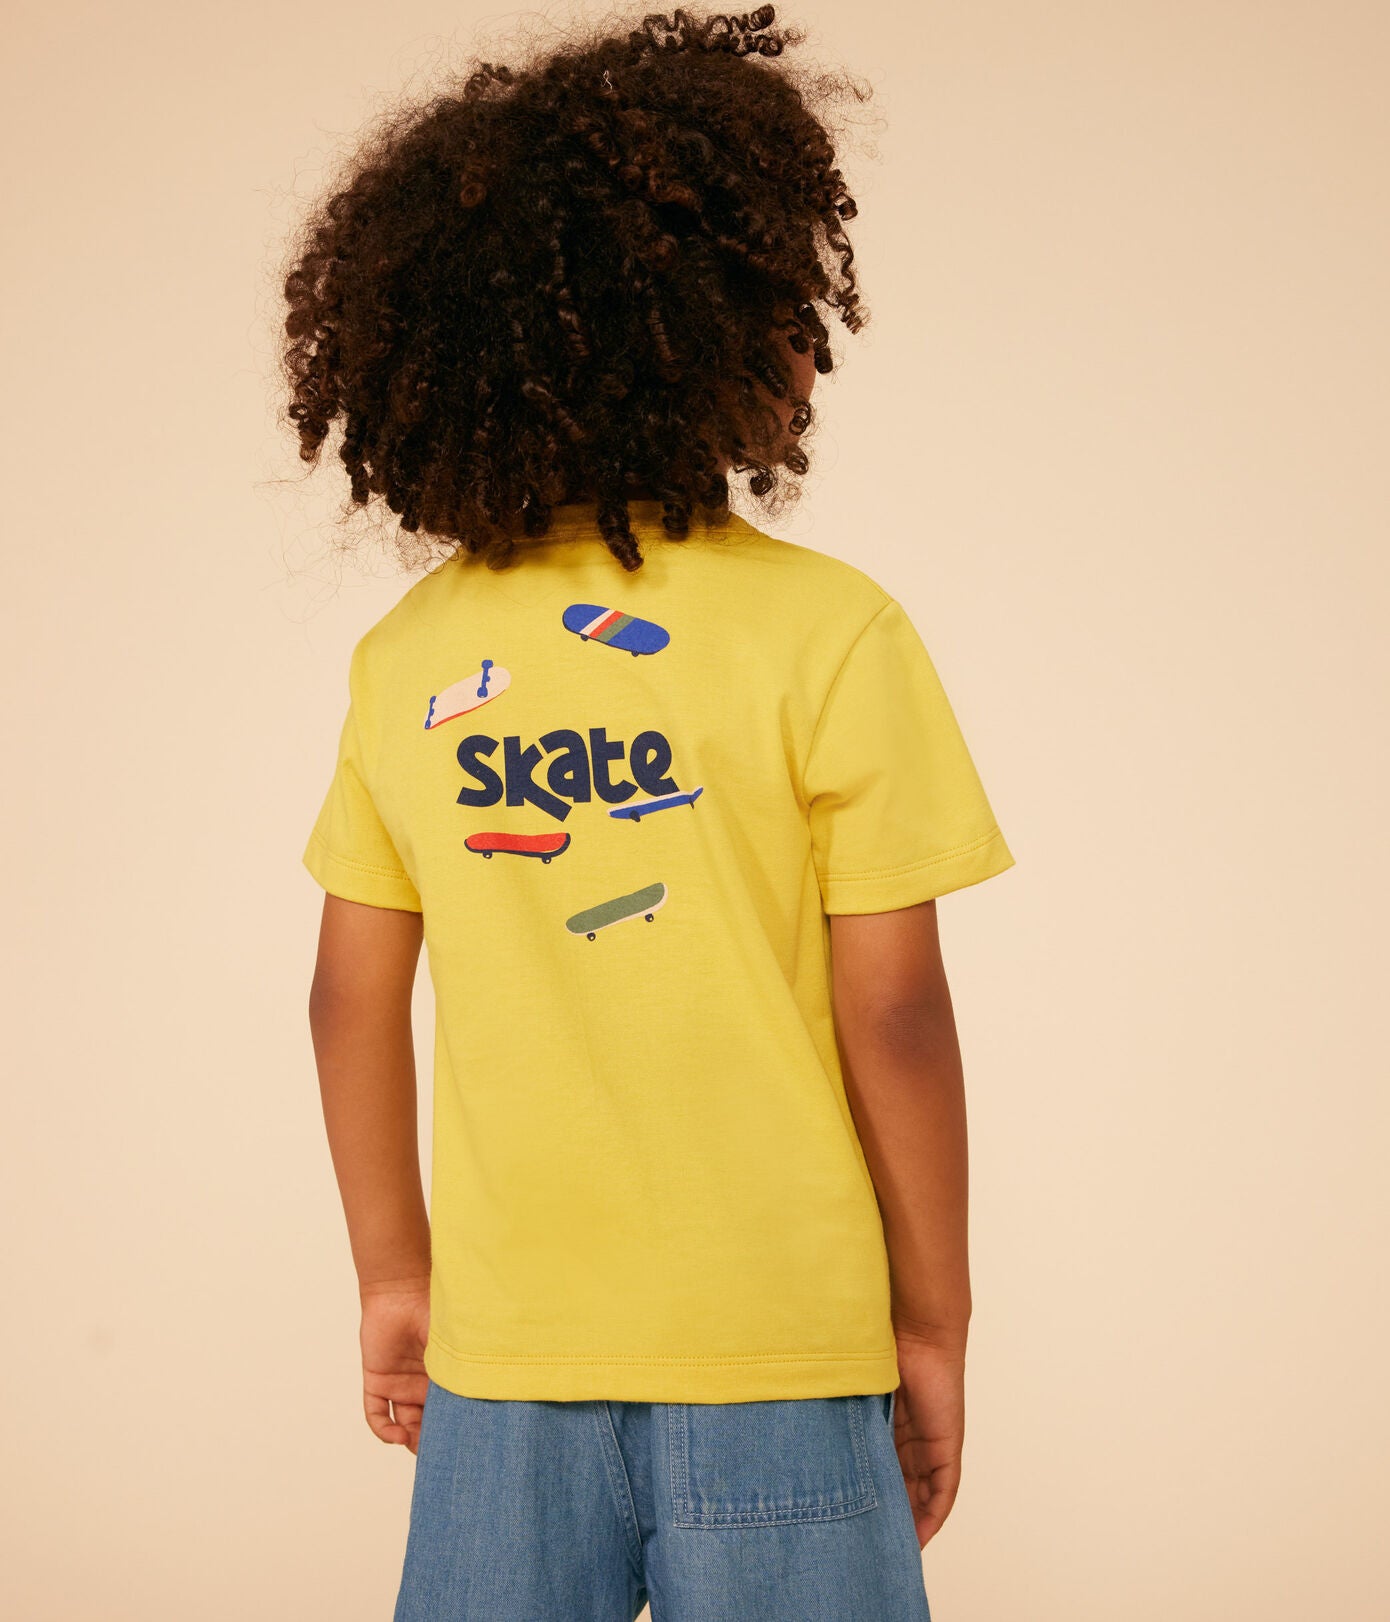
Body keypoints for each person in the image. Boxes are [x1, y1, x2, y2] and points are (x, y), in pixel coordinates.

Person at [288, 7, 1015, 1618]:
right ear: (720, 332)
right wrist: (933, 1318)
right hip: (783, 1353)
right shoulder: (829, 632)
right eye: (786, 308)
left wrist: (396, 1274)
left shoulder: (410, 658)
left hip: (505, 1364)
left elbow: (347, 997)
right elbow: (895, 1013)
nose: (812, 348)